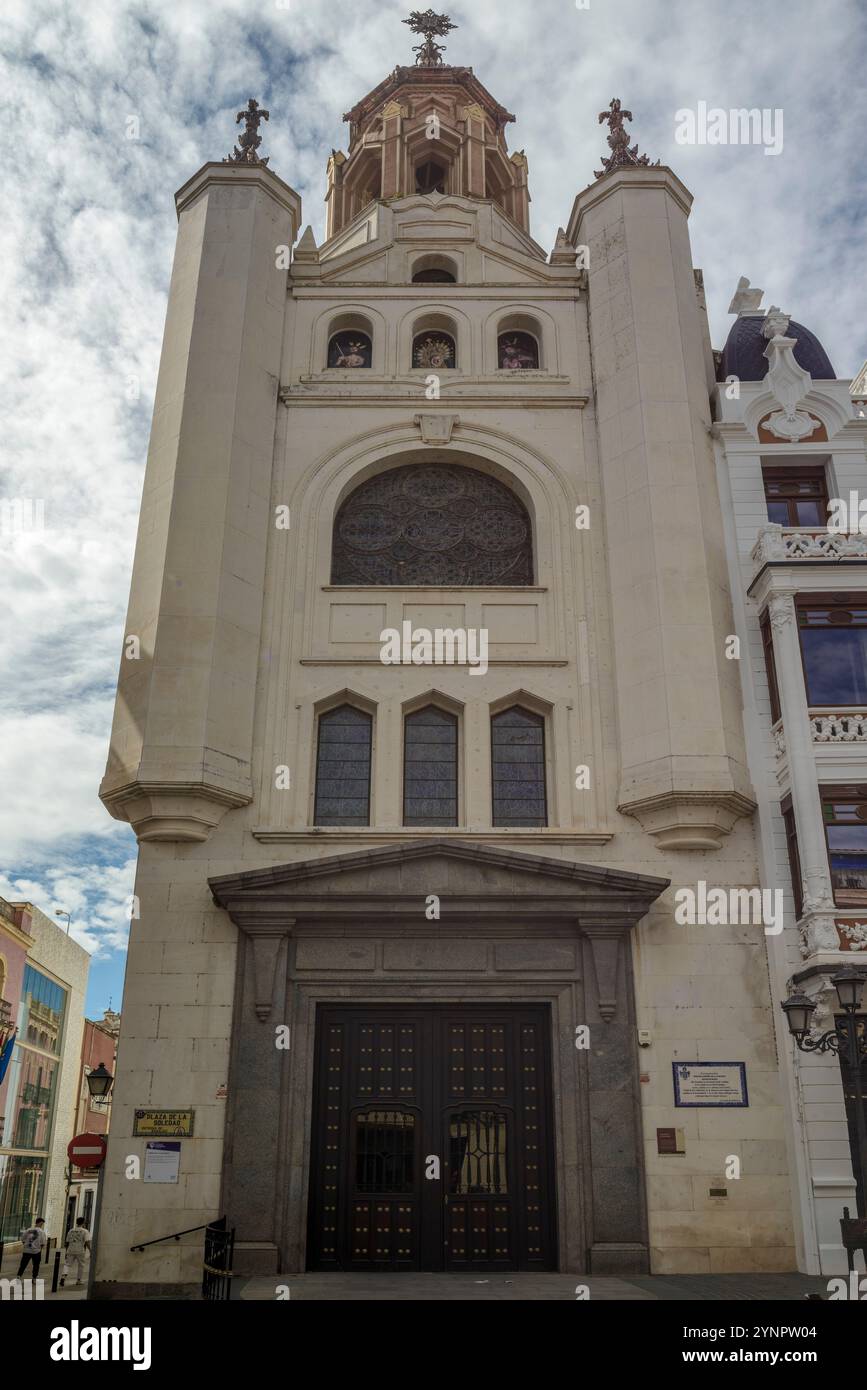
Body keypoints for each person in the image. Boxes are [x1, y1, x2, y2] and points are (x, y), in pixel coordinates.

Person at [62, 1217, 92, 1286]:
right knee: (81, 1265)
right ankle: (79, 1280)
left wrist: (67, 1251)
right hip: (80, 1250)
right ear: (83, 1223)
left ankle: (63, 1277)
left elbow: (67, 1242)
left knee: (67, 1264)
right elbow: (87, 1242)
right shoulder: (85, 1231)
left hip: (70, 1249)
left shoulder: (71, 1231)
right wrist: (90, 1250)